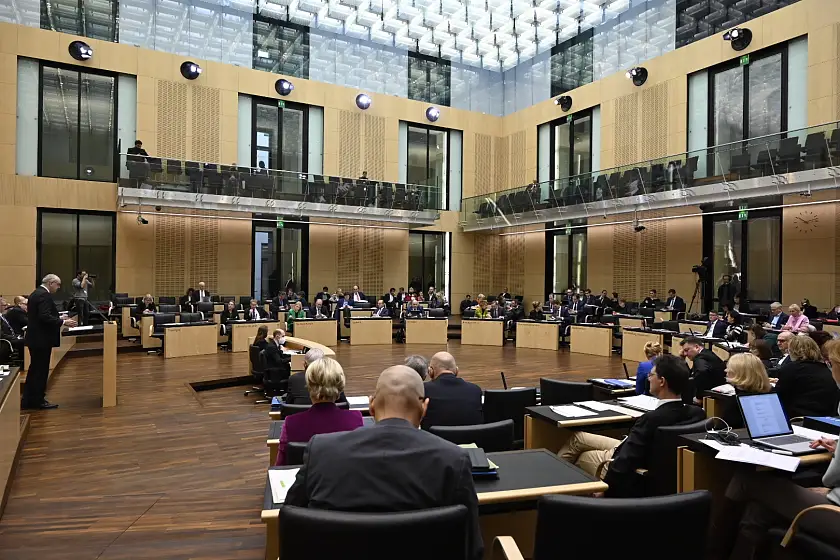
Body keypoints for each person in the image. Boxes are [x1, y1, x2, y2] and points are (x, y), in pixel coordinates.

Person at [284, 365, 483, 560]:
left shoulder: (321, 451)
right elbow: (472, 547)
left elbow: (293, 521)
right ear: (424, 407)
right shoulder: (454, 460)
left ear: (371, 405)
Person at [717, 338, 840, 559]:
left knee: (747, 480)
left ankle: (712, 549)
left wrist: (832, 484)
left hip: (834, 511)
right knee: (758, 511)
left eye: (831, 364)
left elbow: (830, 479)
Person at [559, 354, 698, 497]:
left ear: (662, 381)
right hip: (630, 449)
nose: (648, 378)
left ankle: (554, 492)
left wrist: (606, 489)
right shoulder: (696, 413)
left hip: (625, 461)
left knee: (583, 456)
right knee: (579, 437)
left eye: (651, 375)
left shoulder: (650, 420)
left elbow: (626, 461)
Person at [22, 274, 76, 409]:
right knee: (40, 370)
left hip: (36, 338)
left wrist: (58, 316)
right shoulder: (43, 295)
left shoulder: (36, 293)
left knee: (35, 369)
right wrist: (63, 321)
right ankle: (37, 401)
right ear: (51, 283)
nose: (58, 288)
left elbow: (42, 314)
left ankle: (28, 400)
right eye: (58, 285)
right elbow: (44, 316)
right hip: (41, 339)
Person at [774, 335, 838, 418]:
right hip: (827, 417)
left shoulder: (791, 369)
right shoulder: (827, 369)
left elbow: (779, 396)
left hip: (798, 418)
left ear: (792, 351)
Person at [420, 352, 483, 430]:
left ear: (430, 371)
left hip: (433, 441)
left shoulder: (423, 389)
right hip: (470, 441)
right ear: (456, 370)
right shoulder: (475, 390)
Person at [679, 336, 726, 404]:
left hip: (713, 395)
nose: (685, 354)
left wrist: (699, 396)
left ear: (697, 347)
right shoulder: (706, 353)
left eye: (687, 350)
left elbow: (702, 372)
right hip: (716, 390)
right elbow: (690, 374)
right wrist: (682, 359)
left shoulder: (700, 358)